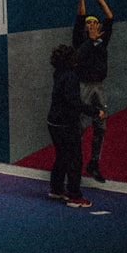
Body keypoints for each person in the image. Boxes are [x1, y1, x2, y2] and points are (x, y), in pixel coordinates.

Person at [47, 43, 106, 208]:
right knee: (75, 160)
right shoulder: (71, 77)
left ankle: (56, 189)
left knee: (61, 157)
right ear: (71, 60)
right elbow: (74, 102)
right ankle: (74, 196)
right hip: (66, 124)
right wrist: (95, 112)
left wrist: (89, 41)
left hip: (53, 122)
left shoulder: (58, 73)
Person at [73, 0, 114, 183]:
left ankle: (94, 163)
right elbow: (80, 17)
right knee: (79, 126)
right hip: (83, 86)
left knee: (101, 126)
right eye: (88, 23)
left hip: (99, 87)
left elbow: (110, 18)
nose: (91, 24)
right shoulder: (79, 41)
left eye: (94, 23)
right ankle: (73, 163)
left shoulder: (102, 40)